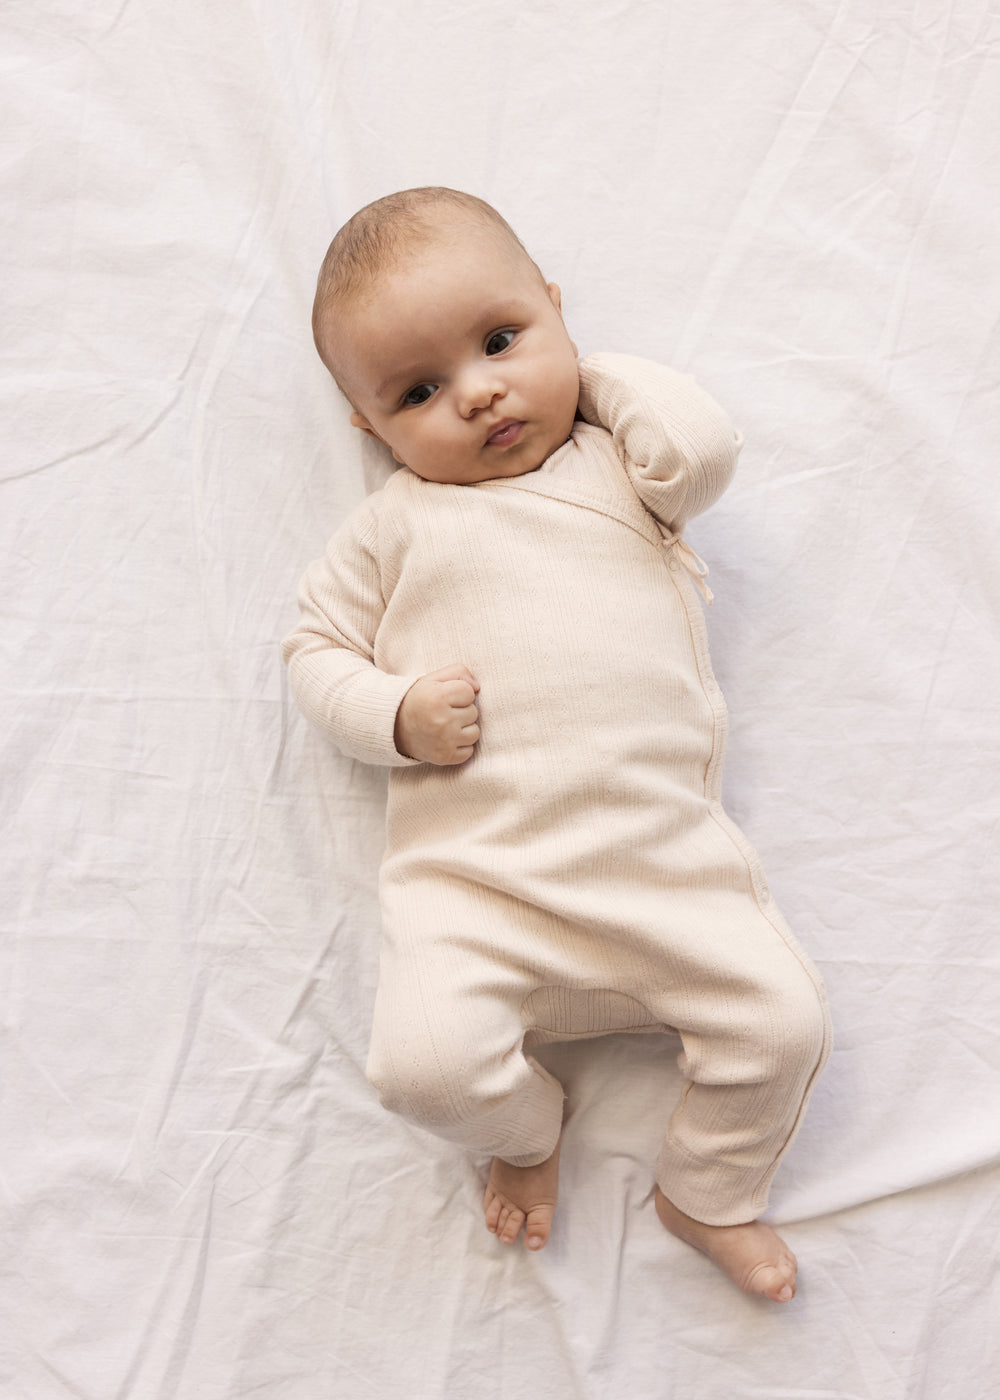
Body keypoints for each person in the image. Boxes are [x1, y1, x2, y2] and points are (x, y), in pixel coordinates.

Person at [282, 186, 831, 1303]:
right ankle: (527, 1126)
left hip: (661, 870)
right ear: (369, 429)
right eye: (419, 391)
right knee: (419, 1067)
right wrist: (393, 713)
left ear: (555, 311)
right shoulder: (396, 523)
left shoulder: (622, 469)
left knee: (782, 1024)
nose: (479, 392)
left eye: (501, 340)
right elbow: (310, 650)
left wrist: (595, 382)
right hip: (478, 888)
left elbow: (706, 448)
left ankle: (707, 1191)